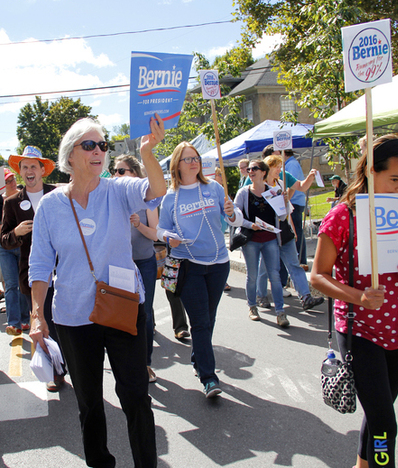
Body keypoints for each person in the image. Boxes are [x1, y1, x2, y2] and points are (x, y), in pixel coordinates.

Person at [28, 115, 167, 467]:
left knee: (136, 396)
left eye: (102, 145)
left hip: (121, 308)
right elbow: (41, 264)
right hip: (74, 316)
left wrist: (148, 153)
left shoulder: (118, 190)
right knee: (89, 403)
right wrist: (35, 315)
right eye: (89, 145)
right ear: (69, 156)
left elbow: (156, 191)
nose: (99, 151)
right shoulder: (51, 206)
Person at [312, 135, 398, 468]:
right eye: (394, 179)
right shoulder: (343, 216)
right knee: (384, 423)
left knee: (380, 412)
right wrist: (359, 297)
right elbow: (317, 276)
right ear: (369, 172)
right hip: (361, 330)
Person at [157, 141, 242, 398]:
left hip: (218, 264)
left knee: (209, 318)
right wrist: (168, 236)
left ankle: (198, 358)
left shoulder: (214, 188)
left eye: (195, 158)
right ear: (177, 165)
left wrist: (232, 212)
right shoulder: (170, 197)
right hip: (187, 265)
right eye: (187, 159)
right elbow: (161, 230)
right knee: (201, 322)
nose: (194, 162)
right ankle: (209, 377)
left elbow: (235, 218)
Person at [233, 157, 323, 326]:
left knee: (275, 274)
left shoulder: (275, 189)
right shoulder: (244, 192)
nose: (250, 172)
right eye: (249, 169)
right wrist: (248, 224)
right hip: (251, 240)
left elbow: (282, 216)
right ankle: (253, 305)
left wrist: (285, 203)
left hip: (272, 239)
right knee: (253, 275)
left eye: (254, 169)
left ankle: (281, 312)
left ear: (263, 172)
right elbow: (236, 217)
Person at [1, 146, 60, 389]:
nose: (28, 171)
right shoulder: (13, 202)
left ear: (42, 170)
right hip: (32, 272)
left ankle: (66, 365)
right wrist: (16, 232)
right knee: (39, 320)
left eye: (33, 166)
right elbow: (3, 238)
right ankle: (50, 375)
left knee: (63, 323)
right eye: (24, 167)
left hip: (63, 270)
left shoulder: (57, 195)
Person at [113, 155, 160, 384]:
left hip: (144, 263)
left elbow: (155, 233)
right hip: (120, 265)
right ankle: (125, 363)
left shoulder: (146, 200)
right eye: (115, 171)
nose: (117, 176)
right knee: (121, 315)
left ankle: (146, 363)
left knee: (145, 314)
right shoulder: (113, 198)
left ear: (134, 173)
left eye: (122, 171)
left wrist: (137, 224)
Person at [1, 166, 29, 337]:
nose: (12, 182)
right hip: (4, 248)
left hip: (22, 245)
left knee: (23, 284)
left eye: (12, 179)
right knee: (11, 285)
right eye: (7, 181)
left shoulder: (23, 197)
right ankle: (14, 324)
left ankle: (25, 319)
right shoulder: (1, 201)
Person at [282, 149, 309, 268]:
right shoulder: (291, 163)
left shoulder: (291, 164)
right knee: (296, 231)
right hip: (295, 202)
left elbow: (291, 184)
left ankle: (300, 260)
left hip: (294, 202)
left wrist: (286, 199)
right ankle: (299, 260)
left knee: (295, 232)